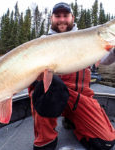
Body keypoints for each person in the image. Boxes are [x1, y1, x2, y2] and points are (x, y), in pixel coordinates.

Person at [28, 2, 115, 150]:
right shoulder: (42, 40)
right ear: (51, 19)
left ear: (72, 17)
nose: (62, 19)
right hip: (51, 96)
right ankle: (46, 138)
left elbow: (106, 60)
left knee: (105, 143)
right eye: (57, 16)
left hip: (79, 97)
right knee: (45, 87)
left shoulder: (91, 38)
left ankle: (72, 120)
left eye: (65, 16)